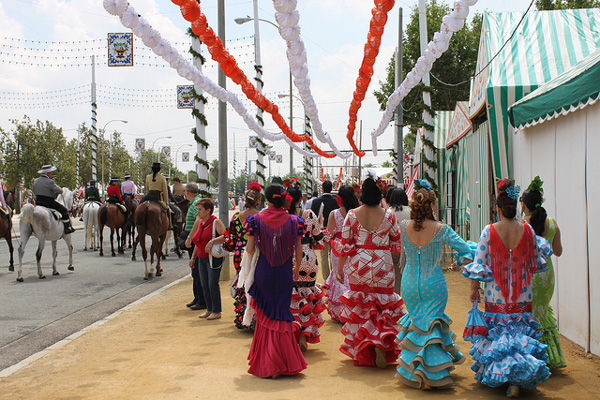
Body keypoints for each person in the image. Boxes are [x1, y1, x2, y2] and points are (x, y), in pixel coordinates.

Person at [463, 179, 552, 398]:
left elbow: (479, 262)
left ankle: (504, 375)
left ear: (498, 208)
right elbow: (535, 259)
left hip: (496, 292)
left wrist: (474, 288)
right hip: (523, 291)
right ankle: (517, 380)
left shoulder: (489, 230)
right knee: (519, 333)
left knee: (501, 334)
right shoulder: (528, 231)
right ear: (516, 206)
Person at [395, 179, 472, 390]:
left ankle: (415, 372)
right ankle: (433, 375)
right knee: (432, 329)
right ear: (433, 205)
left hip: (409, 283)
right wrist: (460, 261)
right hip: (434, 283)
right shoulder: (441, 228)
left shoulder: (403, 226)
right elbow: (466, 249)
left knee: (418, 327)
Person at [335, 177, 405, 368]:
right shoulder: (389, 215)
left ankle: (366, 349)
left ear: (362, 194)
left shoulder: (352, 214)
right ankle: (382, 344)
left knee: (363, 306)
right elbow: (395, 242)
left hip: (360, 263)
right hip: (383, 262)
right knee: (383, 305)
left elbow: (346, 245)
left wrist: (340, 268)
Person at [244, 183, 307, 378]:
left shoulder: (255, 219)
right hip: (284, 271)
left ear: (267, 198)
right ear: (283, 198)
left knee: (265, 313)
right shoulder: (294, 220)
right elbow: (299, 250)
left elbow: (250, 249)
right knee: (281, 311)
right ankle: (284, 361)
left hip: (264, 270)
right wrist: (296, 268)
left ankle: (267, 362)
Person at [521, 176, 565, 369]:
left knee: (527, 314)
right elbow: (558, 252)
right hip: (547, 276)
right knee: (542, 312)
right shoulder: (552, 223)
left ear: (524, 205)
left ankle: (530, 357)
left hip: (527, 275)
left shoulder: (522, 225)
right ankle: (548, 356)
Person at [287, 184, 326, 352]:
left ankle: (292, 332)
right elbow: (319, 238)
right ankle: (305, 334)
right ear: (300, 198)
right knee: (307, 296)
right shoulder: (309, 214)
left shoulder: (283, 216)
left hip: (289, 258)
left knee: (291, 298)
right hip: (308, 258)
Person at [224, 181, 261, 329]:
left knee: (243, 284)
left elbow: (230, 238)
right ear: (258, 201)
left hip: (240, 255)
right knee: (256, 284)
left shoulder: (237, 217)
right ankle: (256, 319)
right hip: (257, 254)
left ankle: (242, 318)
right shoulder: (261, 216)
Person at [323, 185, 359, 322]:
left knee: (338, 276)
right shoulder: (356, 212)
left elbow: (329, 234)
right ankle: (352, 308)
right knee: (352, 275)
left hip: (338, 247)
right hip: (354, 247)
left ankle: (340, 311)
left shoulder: (334, 213)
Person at [189, 198, 226, 320]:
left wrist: (213, 241)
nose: (198, 212)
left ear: (208, 210)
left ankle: (216, 310)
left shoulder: (216, 222)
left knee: (212, 283)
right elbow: (198, 242)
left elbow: (225, 236)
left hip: (212, 257)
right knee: (204, 284)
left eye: (200, 209)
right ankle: (209, 308)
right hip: (201, 257)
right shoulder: (201, 223)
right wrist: (193, 257)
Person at [182, 182, 206, 311]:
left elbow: (198, 220)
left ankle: (200, 299)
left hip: (195, 240)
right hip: (193, 238)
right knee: (195, 270)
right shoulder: (194, 202)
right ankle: (197, 298)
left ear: (188, 192)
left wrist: (190, 236)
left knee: (196, 270)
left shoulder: (196, 203)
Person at [32, 164, 75, 234]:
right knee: (64, 210)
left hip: (38, 202)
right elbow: (60, 191)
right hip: (48, 202)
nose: (51, 174)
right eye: (51, 172)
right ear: (48, 173)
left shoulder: (35, 181)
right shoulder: (50, 182)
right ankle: (67, 228)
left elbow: (34, 191)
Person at [311, 181, 339, 280]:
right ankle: (334, 277)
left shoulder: (316, 202)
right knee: (333, 255)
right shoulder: (336, 201)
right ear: (331, 189)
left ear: (322, 188)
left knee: (323, 257)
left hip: (321, 232)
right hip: (334, 232)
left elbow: (312, 218)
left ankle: (326, 279)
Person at [388, 187, 411, 294]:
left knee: (395, 275)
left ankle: (396, 297)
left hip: (392, 248)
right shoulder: (410, 211)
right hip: (408, 247)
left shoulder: (388, 212)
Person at [141, 162, 171, 228]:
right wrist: (166, 202)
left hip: (148, 195)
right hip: (156, 196)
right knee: (167, 210)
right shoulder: (162, 177)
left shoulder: (148, 177)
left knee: (139, 206)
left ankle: (137, 223)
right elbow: (165, 191)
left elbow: (147, 188)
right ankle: (170, 225)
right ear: (159, 170)